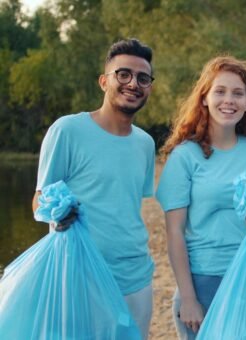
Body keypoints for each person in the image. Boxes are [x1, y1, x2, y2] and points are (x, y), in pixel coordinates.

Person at [33, 38, 157, 339]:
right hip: (77, 275)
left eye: (143, 78)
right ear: (104, 81)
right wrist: (57, 213)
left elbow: (128, 206)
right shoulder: (67, 130)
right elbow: (39, 201)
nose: (133, 84)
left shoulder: (145, 143)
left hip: (136, 276)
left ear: (149, 87)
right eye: (123, 74)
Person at [155, 56, 246, 339]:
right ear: (204, 98)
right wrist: (188, 297)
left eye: (238, 93)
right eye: (220, 91)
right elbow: (174, 232)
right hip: (203, 281)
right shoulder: (185, 155)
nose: (228, 100)